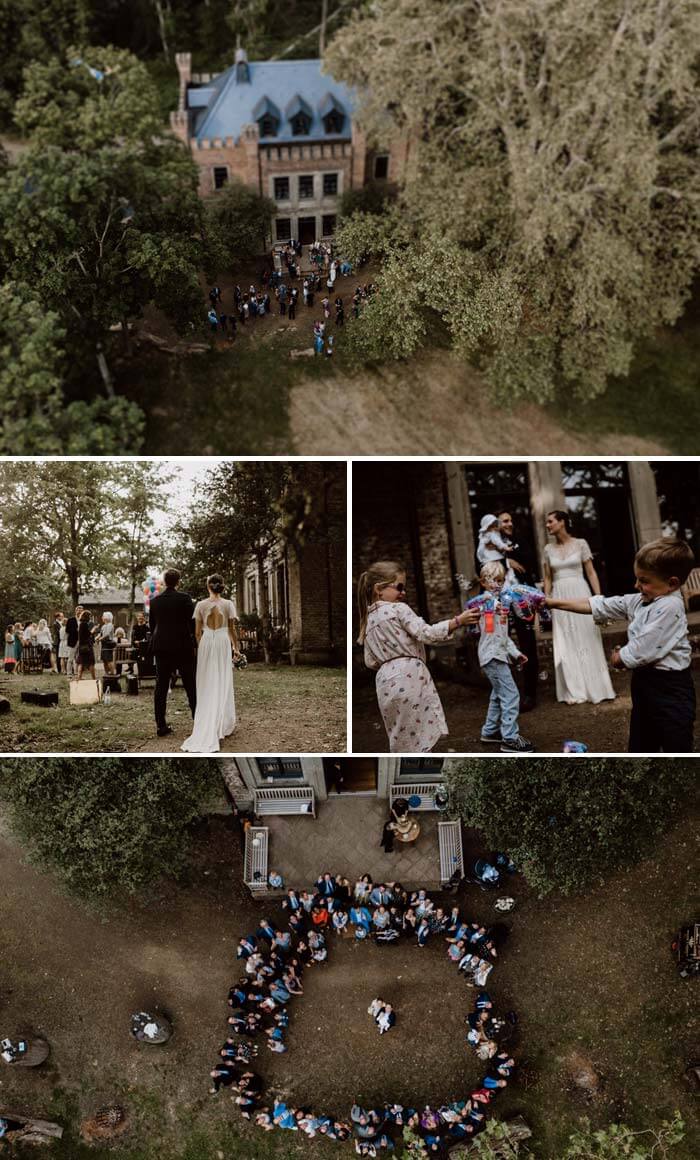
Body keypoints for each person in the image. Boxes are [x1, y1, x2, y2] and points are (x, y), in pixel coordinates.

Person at [546, 537, 696, 752]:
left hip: (671, 690)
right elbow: (600, 605)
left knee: (676, 747)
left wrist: (619, 656)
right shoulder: (642, 600)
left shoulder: (670, 606)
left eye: (644, 580)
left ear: (672, 583)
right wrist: (551, 603)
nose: (636, 585)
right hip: (645, 684)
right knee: (642, 744)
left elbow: (641, 650)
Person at [357, 560, 479, 752]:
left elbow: (370, 661)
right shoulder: (399, 609)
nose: (403, 592)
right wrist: (457, 621)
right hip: (409, 675)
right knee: (419, 730)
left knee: (401, 734)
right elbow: (426, 633)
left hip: (384, 684)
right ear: (379, 589)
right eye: (399, 587)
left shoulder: (368, 621)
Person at [543, 510, 616, 704]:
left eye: (550, 522)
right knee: (566, 640)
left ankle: (597, 687)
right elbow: (548, 578)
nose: (547, 525)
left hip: (580, 592)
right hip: (559, 596)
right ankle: (575, 689)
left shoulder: (581, 543)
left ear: (562, 522)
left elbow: (591, 573)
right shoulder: (548, 549)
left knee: (587, 636)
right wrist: (546, 600)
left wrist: (598, 598)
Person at [476, 561, 534, 753]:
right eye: (492, 581)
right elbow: (488, 618)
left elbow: (503, 636)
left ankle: (490, 731)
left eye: (500, 581)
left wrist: (516, 654)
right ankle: (510, 738)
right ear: (483, 582)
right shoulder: (487, 602)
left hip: (496, 655)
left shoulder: (500, 606)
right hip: (492, 657)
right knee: (511, 695)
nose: (497, 585)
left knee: (497, 695)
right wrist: (497, 606)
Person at [182, 573, 241, 752]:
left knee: (206, 682)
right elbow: (231, 629)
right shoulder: (228, 604)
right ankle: (222, 722)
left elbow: (197, 633)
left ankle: (210, 720)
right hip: (223, 642)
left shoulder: (200, 605)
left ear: (208, 586)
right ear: (222, 586)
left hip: (207, 642)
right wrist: (236, 648)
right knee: (223, 680)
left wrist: (203, 647)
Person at [496, 510, 540, 710]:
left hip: (521, 599)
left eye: (510, 520)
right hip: (498, 602)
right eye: (505, 521)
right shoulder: (487, 545)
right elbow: (480, 566)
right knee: (498, 644)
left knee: (527, 644)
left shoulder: (519, 540)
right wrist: (506, 562)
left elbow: (530, 560)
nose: (509, 523)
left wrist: (511, 554)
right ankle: (503, 693)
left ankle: (530, 694)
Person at [148, 568, 197, 738]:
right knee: (190, 684)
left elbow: (152, 627)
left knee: (161, 686)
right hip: (183, 645)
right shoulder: (185, 598)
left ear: (164, 582)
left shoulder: (155, 601)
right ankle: (198, 722)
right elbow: (192, 623)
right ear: (178, 582)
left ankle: (161, 725)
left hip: (161, 646)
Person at [75, 610, 96, 680]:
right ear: (87, 617)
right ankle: (94, 678)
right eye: (90, 616)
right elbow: (88, 634)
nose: (90, 618)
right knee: (91, 662)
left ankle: (79, 677)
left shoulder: (81, 624)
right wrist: (93, 630)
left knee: (81, 662)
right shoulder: (84, 624)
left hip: (81, 646)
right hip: (87, 646)